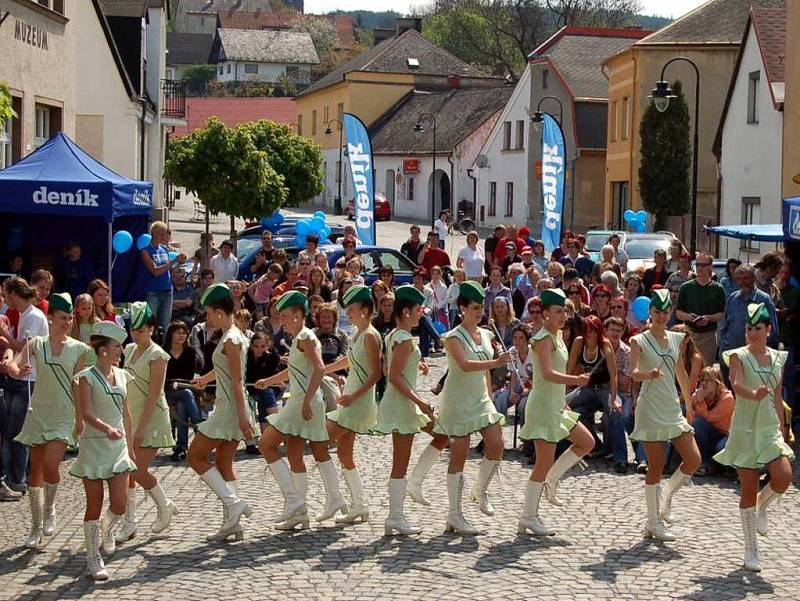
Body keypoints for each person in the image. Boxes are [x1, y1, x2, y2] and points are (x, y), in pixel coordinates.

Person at [713, 303, 794, 572]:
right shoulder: (737, 356)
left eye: (757, 328)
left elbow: (779, 395)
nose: (752, 333)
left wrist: (784, 428)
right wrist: (752, 393)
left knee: (783, 477)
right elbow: (735, 384)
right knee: (748, 490)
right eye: (749, 328)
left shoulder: (779, 358)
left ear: (768, 329)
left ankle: (763, 506)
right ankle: (751, 550)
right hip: (745, 428)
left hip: (769, 426)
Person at [3, 293, 88, 548]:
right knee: (35, 474)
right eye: (62, 318)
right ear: (50, 318)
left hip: (63, 415)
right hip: (38, 412)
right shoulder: (36, 343)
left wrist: (80, 418)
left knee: (52, 465)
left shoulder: (80, 349)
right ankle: (35, 527)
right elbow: (15, 366)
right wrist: (19, 370)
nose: (67, 322)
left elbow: (78, 385)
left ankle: (50, 508)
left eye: (69, 318)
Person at [256, 291, 345, 529]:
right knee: (296, 454)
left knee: (266, 445)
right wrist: (270, 379)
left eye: (284, 315)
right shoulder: (298, 338)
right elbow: (294, 371)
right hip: (302, 399)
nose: (281, 320)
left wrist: (306, 400)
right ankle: (301, 513)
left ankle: (294, 501)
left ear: (298, 315)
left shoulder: (306, 337)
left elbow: (319, 368)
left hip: (304, 401)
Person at [430, 281, 508, 534]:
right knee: (460, 454)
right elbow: (464, 365)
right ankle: (454, 514)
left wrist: (489, 393)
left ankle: (480, 490)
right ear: (462, 308)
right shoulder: (453, 337)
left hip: (480, 398)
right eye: (474, 308)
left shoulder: (486, 334)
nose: (479, 312)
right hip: (459, 400)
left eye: (481, 308)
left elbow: (484, 367)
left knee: (497, 444)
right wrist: (496, 361)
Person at [372, 285, 449, 535]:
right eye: (418, 310)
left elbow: (391, 369)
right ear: (406, 312)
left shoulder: (396, 335)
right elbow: (394, 377)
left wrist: (419, 364)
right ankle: (395, 516)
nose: (421, 314)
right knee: (400, 463)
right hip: (402, 405)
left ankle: (415, 482)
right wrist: (421, 402)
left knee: (442, 435)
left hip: (402, 402)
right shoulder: (403, 338)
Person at [517, 289, 594, 536]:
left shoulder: (558, 336)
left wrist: (563, 399)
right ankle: (529, 516)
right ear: (546, 313)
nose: (563, 317)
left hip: (556, 404)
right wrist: (576, 380)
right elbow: (547, 374)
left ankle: (552, 480)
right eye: (558, 312)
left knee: (586, 442)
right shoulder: (542, 339)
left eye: (565, 312)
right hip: (542, 405)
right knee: (542, 462)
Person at [629, 289, 700, 541]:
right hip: (650, 407)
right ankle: (652, 523)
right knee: (656, 466)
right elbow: (633, 371)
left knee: (693, 459)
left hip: (671, 406)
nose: (660, 316)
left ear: (670, 313)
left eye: (665, 312)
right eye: (656, 312)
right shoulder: (639, 340)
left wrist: (688, 404)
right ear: (649, 313)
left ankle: (667, 497)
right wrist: (648, 374)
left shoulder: (676, 339)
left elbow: (680, 371)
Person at [68, 321, 136, 581]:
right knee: (93, 504)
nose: (121, 350)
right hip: (94, 446)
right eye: (117, 346)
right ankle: (92, 558)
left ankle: (107, 530)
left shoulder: (122, 375)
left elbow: (127, 415)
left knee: (119, 504)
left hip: (117, 447)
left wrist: (129, 447)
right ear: (103, 350)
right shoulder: (86, 377)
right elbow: (86, 412)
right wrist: (107, 428)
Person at [187, 284, 255, 542]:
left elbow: (237, 380)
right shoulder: (233, 336)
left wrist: (242, 416)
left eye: (208, 313)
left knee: (195, 456)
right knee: (225, 463)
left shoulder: (231, 339)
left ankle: (233, 503)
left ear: (218, 312)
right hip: (231, 406)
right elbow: (226, 371)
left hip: (229, 408)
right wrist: (205, 379)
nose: (206, 318)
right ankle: (232, 523)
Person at [115, 303, 179, 544]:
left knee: (136, 471)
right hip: (131, 416)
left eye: (142, 330)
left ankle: (163, 505)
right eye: (134, 329)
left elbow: (154, 394)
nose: (136, 334)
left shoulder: (158, 355)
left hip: (151, 419)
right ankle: (131, 522)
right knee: (129, 473)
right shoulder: (129, 350)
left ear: (152, 329)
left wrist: (140, 429)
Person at [325, 285, 382, 524]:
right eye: (347, 310)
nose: (348, 314)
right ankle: (359, 505)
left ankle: (334, 498)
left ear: (366, 309)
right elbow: (349, 359)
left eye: (353, 309)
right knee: (344, 453)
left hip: (357, 401)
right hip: (350, 396)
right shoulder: (358, 334)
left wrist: (353, 396)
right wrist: (323, 370)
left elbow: (376, 374)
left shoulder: (370, 335)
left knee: (320, 441)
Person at [0, 278, 49, 496]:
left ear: (13, 294)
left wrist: (5, 334)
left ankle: (17, 480)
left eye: (5, 293)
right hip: (18, 379)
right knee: (11, 432)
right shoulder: (23, 314)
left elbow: (24, 346)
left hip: (29, 380)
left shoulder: (33, 315)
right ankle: (15, 478)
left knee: (17, 433)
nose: (4, 298)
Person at [566, 315, 623, 472]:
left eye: (594, 331)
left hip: (605, 388)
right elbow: (570, 369)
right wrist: (564, 390)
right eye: (587, 331)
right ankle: (595, 445)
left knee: (615, 412)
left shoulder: (605, 346)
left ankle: (620, 457)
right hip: (588, 389)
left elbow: (614, 375)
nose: (590, 335)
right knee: (570, 410)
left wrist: (614, 398)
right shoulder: (579, 343)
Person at [718, 264, 779, 386]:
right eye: (739, 279)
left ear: (754, 278)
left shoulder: (764, 300)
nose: (742, 282)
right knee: (731, 397)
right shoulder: (732, 298)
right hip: (731, 356)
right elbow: (723, 325)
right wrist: (723, 345)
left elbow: (773, 332)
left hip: (754, 361)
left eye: (746, 278)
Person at [674, 251, 726, 368]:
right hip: (689, 335)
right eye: (697, 265)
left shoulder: (718, 288)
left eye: (703, 265)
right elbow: (678, 313)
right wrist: (689, 317)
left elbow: (721, 314)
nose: (700, 268)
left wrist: (708, 318)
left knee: (706, 370)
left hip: (708, 336)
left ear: (710, 267)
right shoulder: (686, 287)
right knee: (688, 369)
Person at [163, 320, 204, 462]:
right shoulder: (163, 353)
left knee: (182, 404)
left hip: (185, 389)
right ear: (170, 334)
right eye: (178, 332)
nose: (181, 335)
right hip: (168, 391)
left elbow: (188, 376)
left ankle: (181, 447)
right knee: (186, 395)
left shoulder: (190, 352)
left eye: (184, 333)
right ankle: (200, 429)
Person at [140, 222, 185, 333]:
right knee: (151, 325)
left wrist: (179, 262)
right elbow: (155, 271)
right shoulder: (146, 251)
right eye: (165, 234)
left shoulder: (164, 249)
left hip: (167, 291)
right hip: (153, 292)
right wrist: (173, 261)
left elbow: (171, 271)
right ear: (157, 235)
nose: (167, 237)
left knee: (165, 326)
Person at [691, 366, 733, 477]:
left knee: (719, 451)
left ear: (717, 383)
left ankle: (717, 466)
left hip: (724, 435)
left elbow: (709, 418)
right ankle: (704, 463)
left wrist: (700, 403)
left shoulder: (727, 398)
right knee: (697, 423)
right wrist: (697, 399)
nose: (704, 383)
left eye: (708, 380)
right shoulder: (698, 395)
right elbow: (690, 417)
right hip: (707, 434)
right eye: (702, 380)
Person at [245, 332, 281, 444]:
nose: (259, 350)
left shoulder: (272, 357)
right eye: (256, 346)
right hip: (252, 388)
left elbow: (269, 377)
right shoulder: (246, 357)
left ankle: (273, 426)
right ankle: (276, 425)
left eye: (262, 346)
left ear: (267, 346)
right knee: (264, 395)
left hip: (271, 387)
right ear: (251, 346)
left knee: (265, 394)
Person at [775, 259, 798, 429]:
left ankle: (787, 418)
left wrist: (780, 313)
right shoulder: (772, 288)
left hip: (788, 340)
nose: (783, 276)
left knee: (788, 381)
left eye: (786, 273)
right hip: (773, 339)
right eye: (781, 272)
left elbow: (785, 313)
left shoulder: (794, 291)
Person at [71, 293, 100, 366]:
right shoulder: (72, 324)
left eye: (89, 308)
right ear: (77, 309)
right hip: (78, 363)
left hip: (95, 362)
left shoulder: (97, 323)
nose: (87, 311)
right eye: (83, 309)